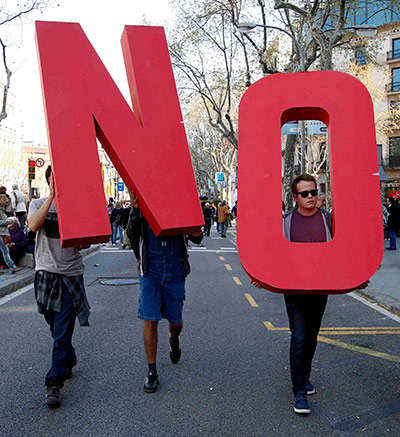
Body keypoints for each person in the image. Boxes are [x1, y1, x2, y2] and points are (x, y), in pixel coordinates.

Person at [252, 174, 367, 415]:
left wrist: (359, 275)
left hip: (320, 287)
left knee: (312, 336)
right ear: (295, 197)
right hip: (293, 289)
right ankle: (299, 392)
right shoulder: (286, 222)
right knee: (300, 336)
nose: (311, 197)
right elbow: (271, 252)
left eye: (314, 192)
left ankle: (305, 376)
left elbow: (346, 249)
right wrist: (259, 275)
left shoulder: (328, 220)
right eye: (305, 193)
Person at [127, 188, 203, 393]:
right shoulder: (142, 205)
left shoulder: (180, 201)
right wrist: (134, 210)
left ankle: (174, 339)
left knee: (175, 322)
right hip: (150, 271)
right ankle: (152, 370)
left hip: (175, 269)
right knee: (150, 320)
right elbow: (131, 233)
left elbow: (196, 236)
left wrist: (197, 232)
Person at [27, 165, 91, 408]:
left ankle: (54, 383)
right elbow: (33, 226)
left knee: (62, 331)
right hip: (45, 274)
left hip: (70, 276)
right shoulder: (38, 203)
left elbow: (87, 240)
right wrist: (53, 196)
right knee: (54, 326)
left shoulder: (78, 206)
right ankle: (69, 357)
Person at [0, 195, 22, 273]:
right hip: (1, 233)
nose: (6, 204)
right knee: (5, 250)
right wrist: (9, 221)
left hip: (2, 233)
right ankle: (12, 266)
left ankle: (12, 266)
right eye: (5, 202)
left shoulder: (2, 210)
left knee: (4, 250)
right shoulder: (0, 211)